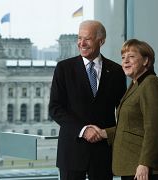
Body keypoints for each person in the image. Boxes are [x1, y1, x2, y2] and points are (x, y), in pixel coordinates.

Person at [48, 20, 127, 180]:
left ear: (101, 41)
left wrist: (112, 133)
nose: (81, 43)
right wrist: (84, 130)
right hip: (72, 152)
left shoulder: (116, 71)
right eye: (79, 38)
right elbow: (55, 108)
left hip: (103, 153)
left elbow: (124, 110)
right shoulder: (64, 69)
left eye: (88, 39)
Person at [90, 39, 158, 180]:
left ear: (146, 60)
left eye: (131, 57)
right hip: (132, 165)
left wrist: (144, 163)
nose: (125, 61)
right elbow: (131, 126)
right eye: (123, 57)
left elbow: (154, 129)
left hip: (144, 168)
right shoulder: (136, 84)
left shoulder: (151, 84)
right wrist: (104, 133)